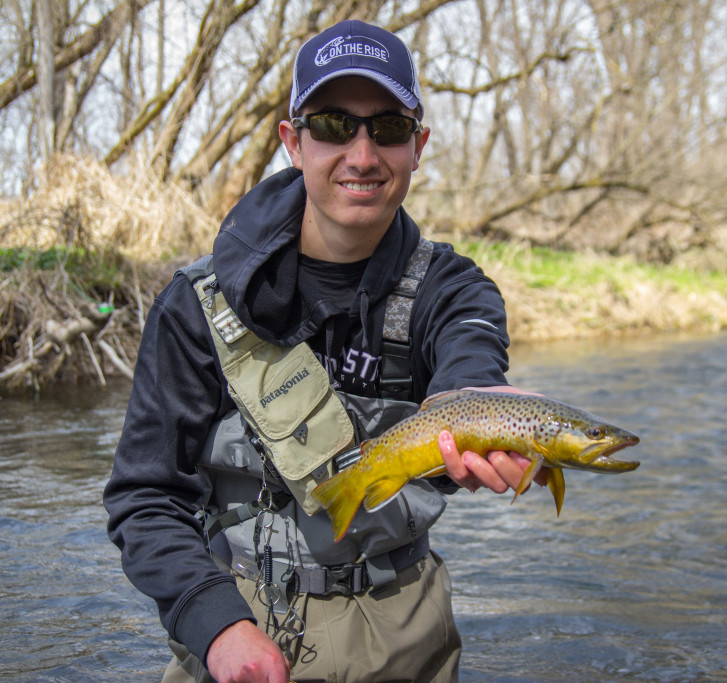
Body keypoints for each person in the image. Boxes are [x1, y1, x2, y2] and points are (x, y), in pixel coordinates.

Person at [104, 19, 545, 683]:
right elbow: (145, 497)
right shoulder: (195, 303)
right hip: (237, 634)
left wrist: (480, 409)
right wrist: (216, 624)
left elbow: (470, 356)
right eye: (335, 125)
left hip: (407, 641)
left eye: (388, 128)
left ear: (417, 145)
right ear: (293, 141)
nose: (363, 155)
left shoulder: (454, 291)